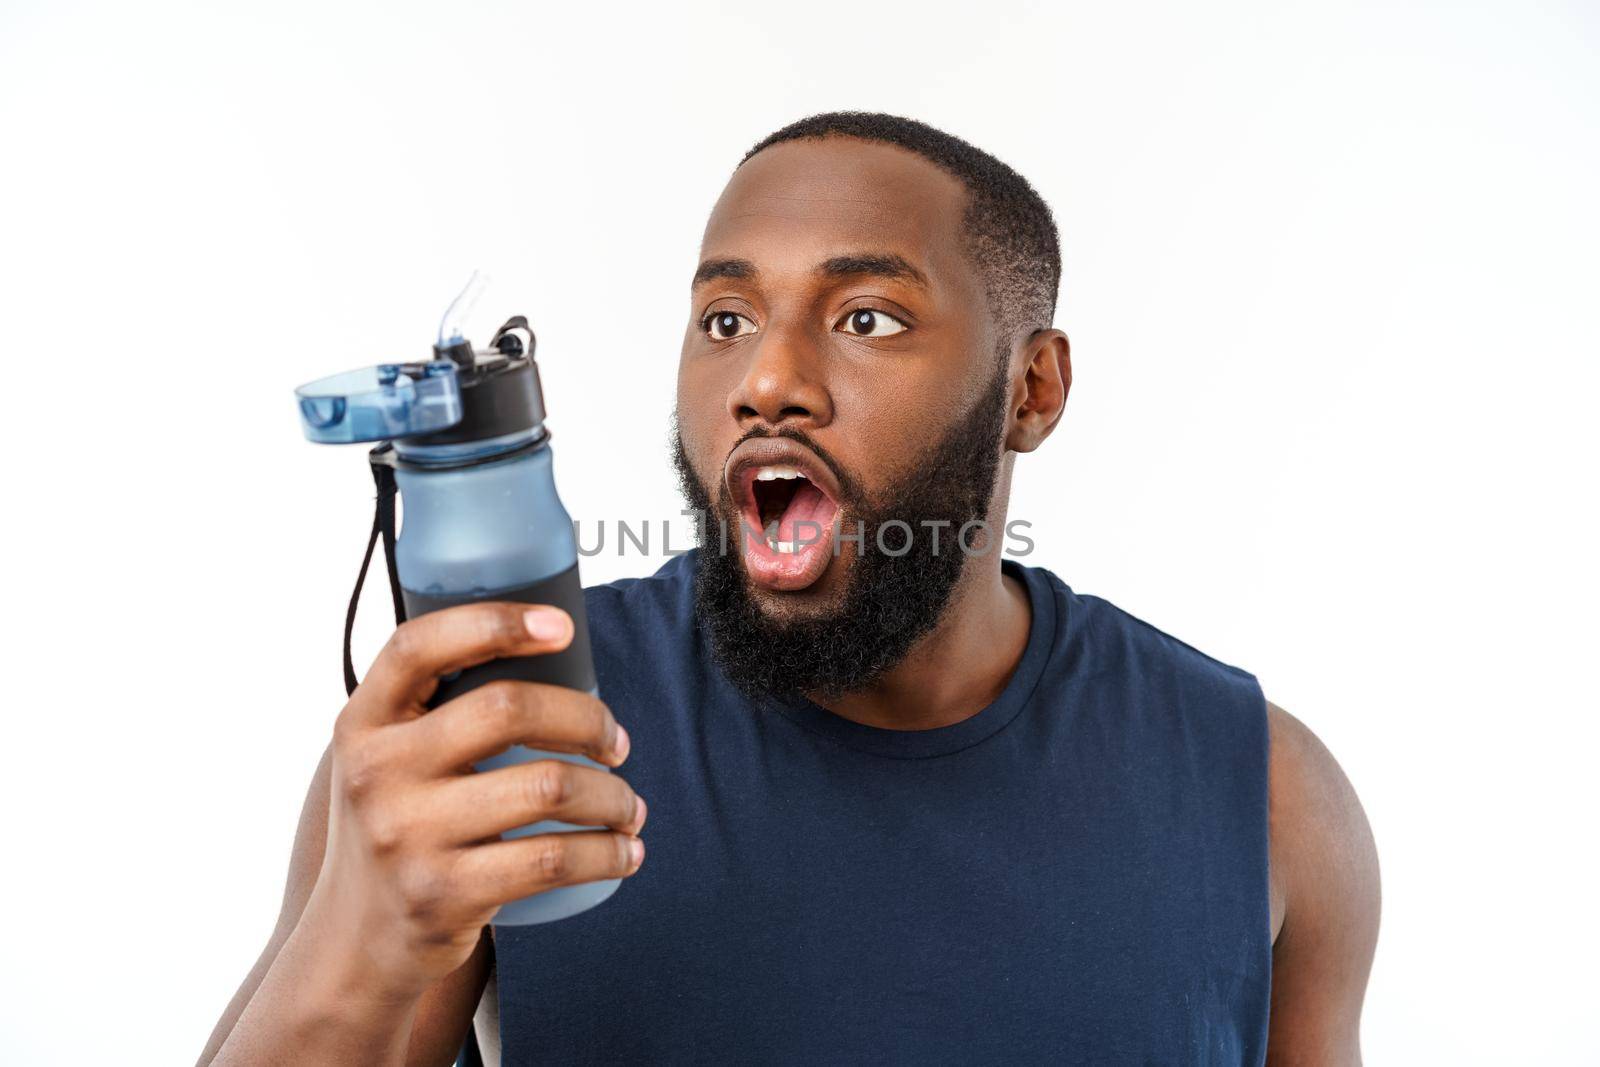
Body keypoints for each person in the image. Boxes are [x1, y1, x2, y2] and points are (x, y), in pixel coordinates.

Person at [199, 111, 1379, 1066]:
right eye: (725, 316)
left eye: (866, 317)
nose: (766, 379)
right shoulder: (497, 728)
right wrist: (362, 941)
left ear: (1031, 387)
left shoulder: (1267, 794)